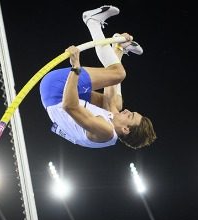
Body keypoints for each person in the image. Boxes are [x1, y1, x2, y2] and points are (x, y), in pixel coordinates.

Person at [40, 5, 156, 149]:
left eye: (130, 116)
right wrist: (117, 51)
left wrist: (75, 67)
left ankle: (92, 21)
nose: (127, 111)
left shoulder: (105, 131)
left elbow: (68, 105)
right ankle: (118, 48)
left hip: (55, 90)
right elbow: (110, 102)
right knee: (116, 103)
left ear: (126, 129)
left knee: (118, 74)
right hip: (58, 99)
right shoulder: (113, 127)